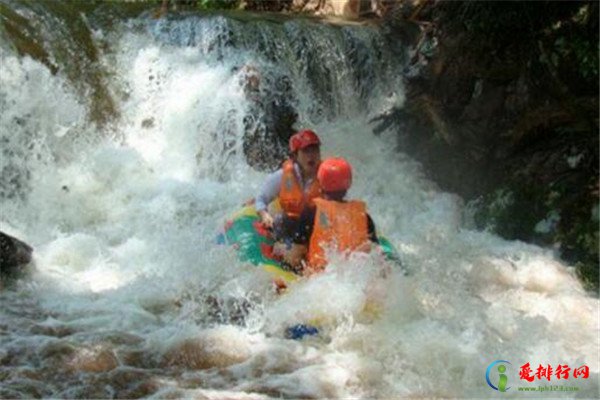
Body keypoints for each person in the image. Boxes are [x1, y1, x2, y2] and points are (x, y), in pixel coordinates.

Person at [290, 157, 379, 274]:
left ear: (320, 183)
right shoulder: (364, 216)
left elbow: (297, 256)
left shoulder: (311, 212)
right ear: (348, 184)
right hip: (355, 278)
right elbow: (375, 254)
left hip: (320, 279)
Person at [255, 129, 322, 231]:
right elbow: (261, 199)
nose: (311, 155)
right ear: (295, 156)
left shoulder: (326, 176)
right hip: (290, 225)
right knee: (284, 221)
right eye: (306, 151)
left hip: (317, 225)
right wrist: (265, 215)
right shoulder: (282, 175)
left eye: (314, 150)